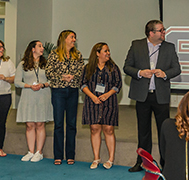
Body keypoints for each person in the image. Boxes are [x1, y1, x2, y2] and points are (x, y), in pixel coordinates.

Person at [123, 20, 181, 172]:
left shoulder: (169, 47)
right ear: (151, 33)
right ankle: (142, 162)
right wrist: (140, 73)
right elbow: (127, 67)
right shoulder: (136, 45)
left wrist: (165, 74)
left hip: (160, 96)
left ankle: (166, 163)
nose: (164, 32)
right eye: (161, 30)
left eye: (163, 30)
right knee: (143, 131)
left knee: (164, 131)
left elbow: (177, 69)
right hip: (142, 96)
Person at [46, 30, 85, 165]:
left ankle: (70, 155)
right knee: (58, 123)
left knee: (71, 123)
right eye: (72, 37)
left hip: (73, 90)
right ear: (64, 39)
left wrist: (73, 76)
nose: (74, 40)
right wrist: (62, 77)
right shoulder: (54, 54)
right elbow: (49, 72)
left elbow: (81, 70)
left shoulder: (77, 54)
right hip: (58, 91)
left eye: (75, 37)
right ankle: (58, 155)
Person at [81, 42, 121, 169]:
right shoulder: (88, 68)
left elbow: (118, 84)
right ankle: (96, 158)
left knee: (108, 129)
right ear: (97, 54)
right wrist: (92, 96)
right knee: (94, 129)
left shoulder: (113, 68)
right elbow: (82, 84)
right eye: (105, 51)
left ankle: (110, 159)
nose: (108, 53)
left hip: (109, 102)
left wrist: (107, 94)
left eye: (108, 51)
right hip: (92, 102)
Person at [15, 40, 52, 162]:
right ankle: (30, 151)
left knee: (40, 124)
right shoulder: (23, 64)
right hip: (28, 96)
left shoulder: (46, 64)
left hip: (42, 96)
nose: (42, 48)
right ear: (32, 49)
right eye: (39, 46)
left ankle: (39, 152)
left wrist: (44, 84)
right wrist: (29, 86)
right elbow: (17, 82)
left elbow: (53, 80)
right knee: (30, 124)